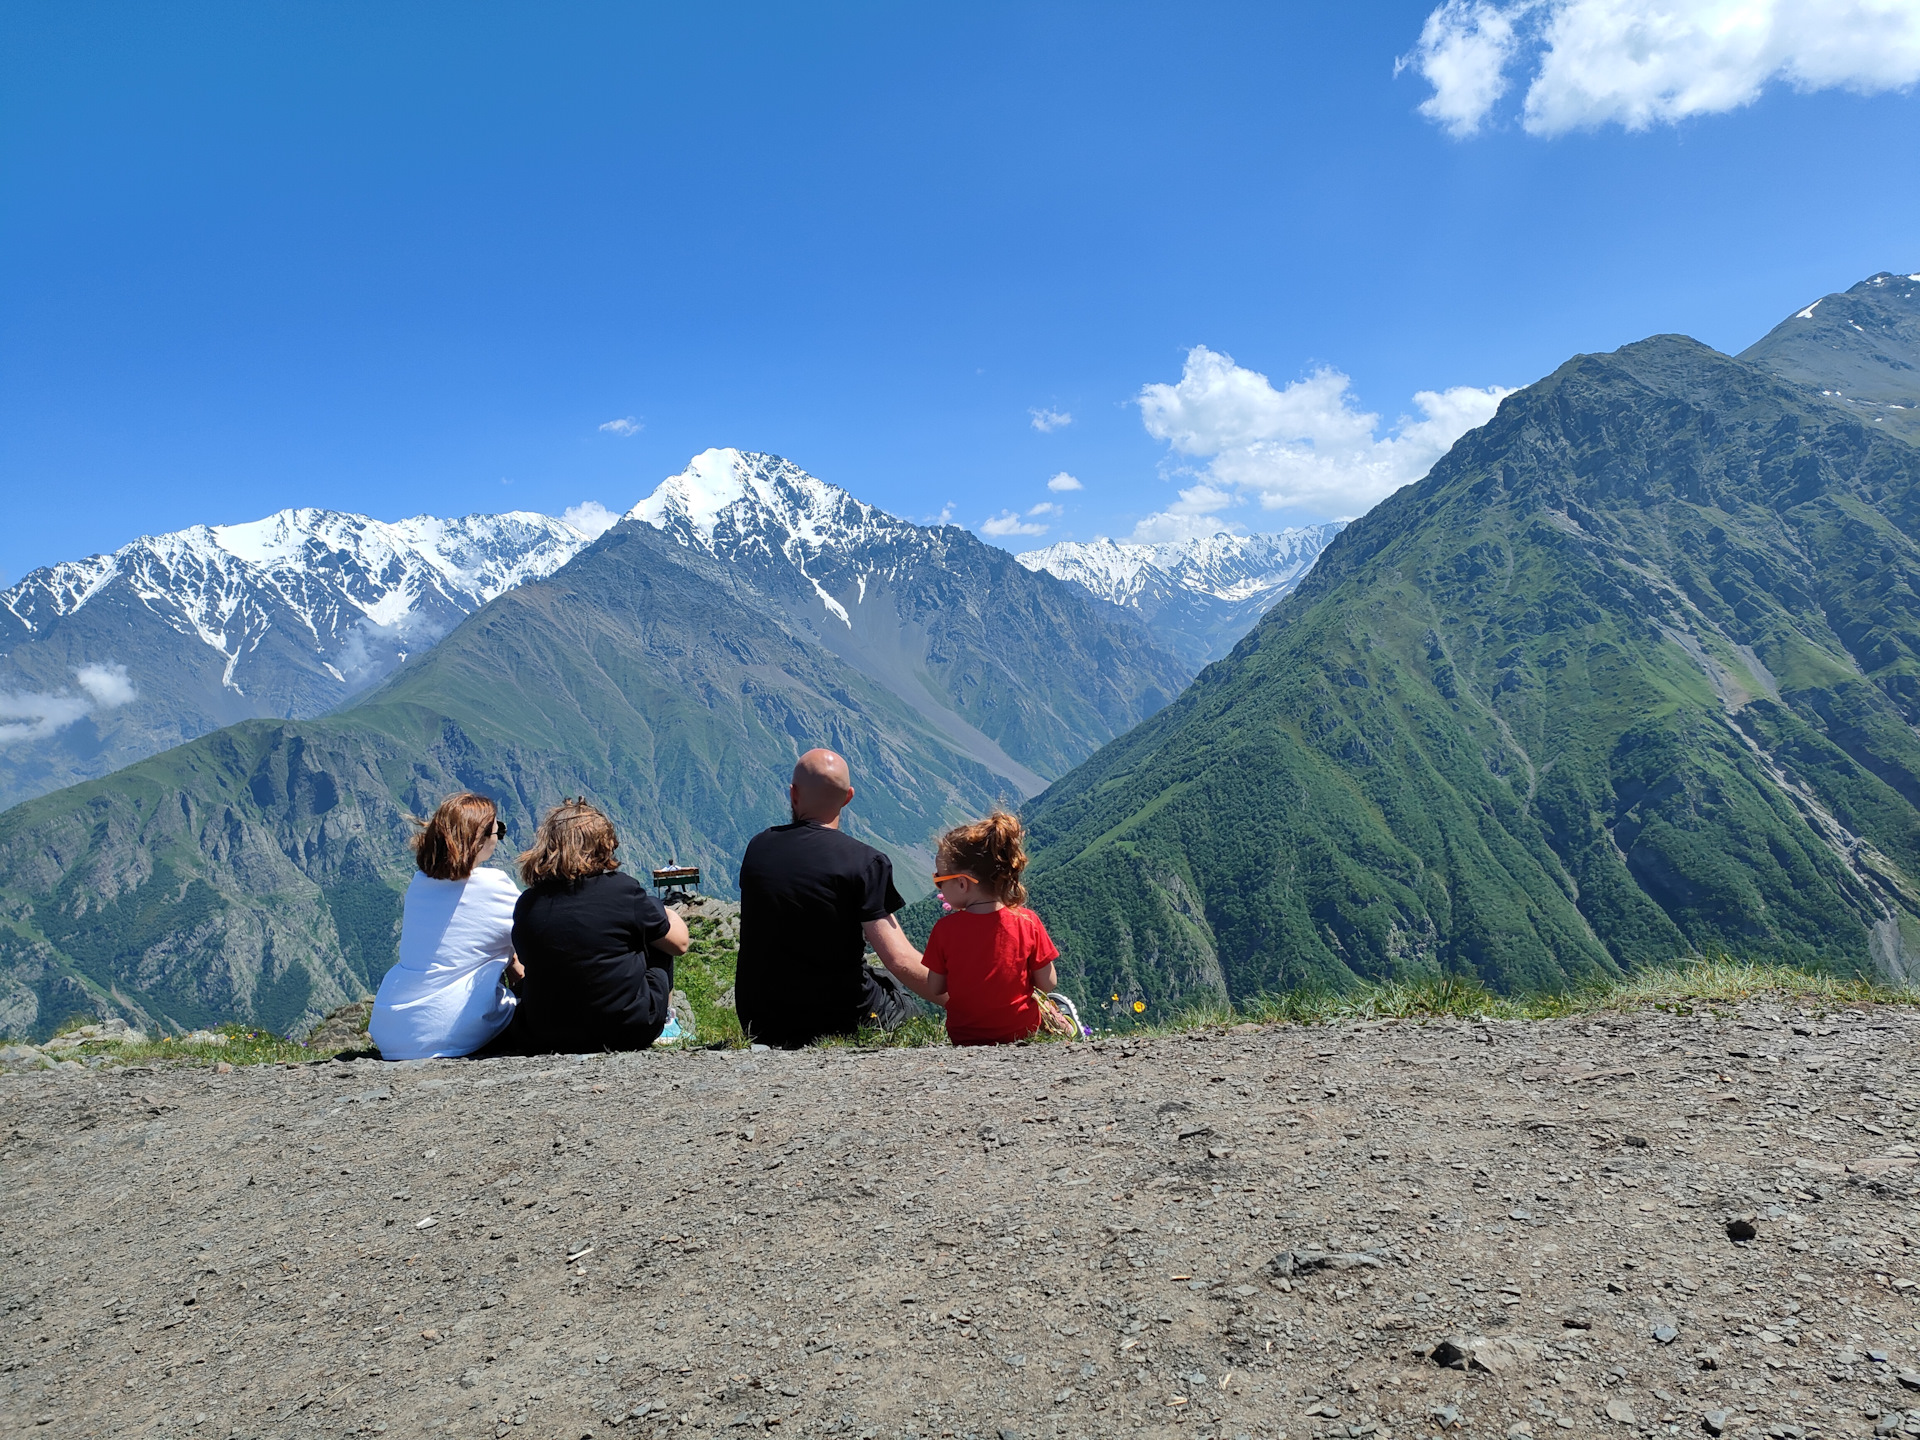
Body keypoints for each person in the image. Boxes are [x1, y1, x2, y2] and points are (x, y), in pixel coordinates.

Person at [735, 748, 942, 1048]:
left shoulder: (758, 847)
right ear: (848, 798)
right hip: (838, 1018)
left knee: (881, 976)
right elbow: (900, 959)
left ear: (793, 794)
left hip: (761, 1020)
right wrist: (967, 1001)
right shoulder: (866, 862)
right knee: (903, 1000)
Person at [504, 797, 691, 1054]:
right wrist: (663, 911)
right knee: (658, 940)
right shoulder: (623, 891)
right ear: (604, 845)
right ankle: (668, 1023)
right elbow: (680, 944)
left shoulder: (528, 903)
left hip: (545, 1032)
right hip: (629, 1028)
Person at [369, 792, 523, 1060]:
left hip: (390, 1026)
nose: (499, 838)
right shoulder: (493, 885)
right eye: (499, 830)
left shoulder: (419, 883)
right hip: (450, 1027)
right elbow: (536, 933)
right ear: (480, 838)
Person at [921, 810, 1060, 1046]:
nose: (939, 886)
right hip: (1020, 1031)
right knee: (1050, 1005)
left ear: (962, 883)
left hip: (964, 1036)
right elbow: (1048, 983)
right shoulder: (1028, 922)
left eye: (939, 879)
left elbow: (935, 987)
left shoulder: (944, 929)